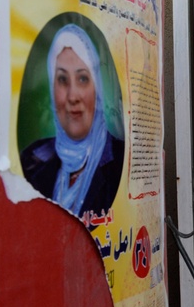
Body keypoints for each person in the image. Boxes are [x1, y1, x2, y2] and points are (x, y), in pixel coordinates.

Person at [20, 23, 124, 220]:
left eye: (83, 79)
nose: (72, 96)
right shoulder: (31, 161)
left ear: (97, 90)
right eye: (62, 80)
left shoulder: (118, 164)